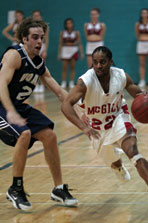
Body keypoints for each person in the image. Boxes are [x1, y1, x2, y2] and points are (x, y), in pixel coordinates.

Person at [62, 46, 148, 213]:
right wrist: (83, 127)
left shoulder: (120, 75)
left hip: (118, 118)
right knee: (114, 163)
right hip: (97, 129)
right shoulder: (85, 81)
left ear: (110, 62)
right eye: (95, 62)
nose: (98, 66)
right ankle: (118, 167)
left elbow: (135, 91)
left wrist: (145, 96)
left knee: (133, 152)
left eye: (102, 62)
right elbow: (65, 105)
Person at [0, 18, 79, 211]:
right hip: (2, 105)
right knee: (24, 133)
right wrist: (10, 111)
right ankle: (15, 189)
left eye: (41, 38)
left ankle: (58, 189)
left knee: (50, 135)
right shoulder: (14, 55)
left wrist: (82, 114)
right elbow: (1, 84)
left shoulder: (38, 63)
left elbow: (59, 91)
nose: (39, 41)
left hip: (18, 105)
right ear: (24, 39)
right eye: (34, 37)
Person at [58, 18, 84, 89]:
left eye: (70, 23)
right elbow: (60, 43)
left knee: (72, 67)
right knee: (64, 68)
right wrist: (59, 53)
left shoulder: (76, 32)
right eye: (67, 23)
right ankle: (63, 82)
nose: (69, 25)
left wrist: (81, 53)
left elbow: (79, 43)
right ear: (65, 25)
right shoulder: (62, 33)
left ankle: (71, 82)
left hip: (73, 50)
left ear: (73, 24)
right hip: (65, 50)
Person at [32, 10, 49, 93]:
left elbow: (46, 39)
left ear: (40, 16)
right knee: (33, 67)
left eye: (38, 15)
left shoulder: (44, 26)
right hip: (33, 47)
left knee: (41, 67)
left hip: (41, 47)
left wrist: (45, 50)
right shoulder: (30, 27)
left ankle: (42, 85)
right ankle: (35, 85)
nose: (36, 17)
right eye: (35, 15)